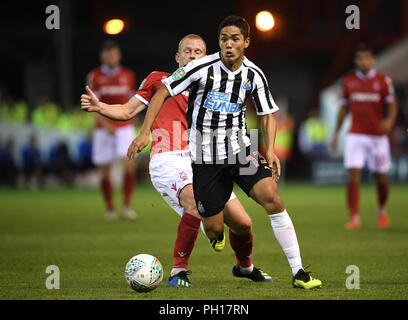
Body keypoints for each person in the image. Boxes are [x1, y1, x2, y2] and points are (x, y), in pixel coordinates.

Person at [128, 16, 322, 289]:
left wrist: (272, 151)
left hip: (240, 148)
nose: (228, 45)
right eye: (223, 39)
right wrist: (145, 132)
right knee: (215, 228)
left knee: (272, 199)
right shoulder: (200, 67)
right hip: (205, 156)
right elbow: (162, 92)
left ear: (246, 42)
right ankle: (216, 235)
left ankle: (299, 271)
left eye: (234, 39)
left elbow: (267, 114)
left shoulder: (254, 74)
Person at [81, 34, 273, 287]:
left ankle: (245, 267)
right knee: (193, 201)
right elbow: (127, 111)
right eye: (188, 51)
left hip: (204, 162)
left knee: (242, 223)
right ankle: (178, 272)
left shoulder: (215, 86)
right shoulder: (158, 80)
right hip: (168, 159)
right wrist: (101, 107)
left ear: (205, 57)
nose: (193, 56)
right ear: (178, 57)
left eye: (198, 52)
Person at [332, 43, 397, 230]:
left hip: (378, 136)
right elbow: (344, 109)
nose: (363, 61)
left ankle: (382, 211)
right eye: (360, 58)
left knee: (381, 177)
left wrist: (390, 120)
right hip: (356, 135)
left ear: (373, 59)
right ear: (355, 60)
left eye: (367, 57)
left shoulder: (383, 81)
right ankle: (354, 217)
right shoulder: (349, 81)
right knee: (353, 176)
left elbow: (392, 104)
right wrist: (337, 133)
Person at [87, 40, 138, 220]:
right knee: (105, 170)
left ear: (119, 56)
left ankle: (126, 206)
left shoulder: (128, 75)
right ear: (103, 56)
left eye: (115, 54)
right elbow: (93, 104)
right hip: (103, 129)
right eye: (109, 54)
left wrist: (134, 121)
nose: (112, 57)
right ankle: (110, 209)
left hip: (124, 126)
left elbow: (133, 101)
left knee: (129, 165)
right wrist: (106, 124)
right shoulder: (95, 76)